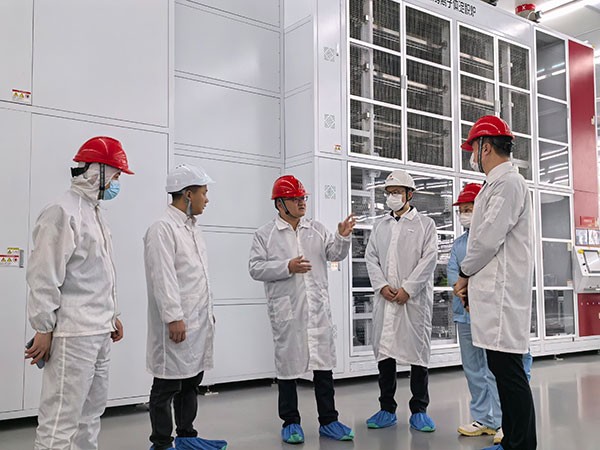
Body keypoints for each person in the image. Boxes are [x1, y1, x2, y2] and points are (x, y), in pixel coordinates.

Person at [25, 136, 133, 450]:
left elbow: (98, 273)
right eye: (115, 174)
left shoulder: (95, 213)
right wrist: (43, 328)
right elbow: (44, 275)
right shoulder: (62, 211)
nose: (116, 182)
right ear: (97, 171)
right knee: (60, 419)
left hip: (99, 330)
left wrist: (113, 314)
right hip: (73, 334)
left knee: (90, 416)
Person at [248, 175, 356, 444]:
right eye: (295, 199)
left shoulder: (316, 229)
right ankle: (291, 422)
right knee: (287, 369)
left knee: (323, 366)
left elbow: (334, 254)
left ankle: (329, 421)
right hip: (288, 312)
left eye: (302, 198)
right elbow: (255, 268)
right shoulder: (265, 234)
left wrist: (342, 237)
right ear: (280, 204)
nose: (301, 203)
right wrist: (287, 267)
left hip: (317, 310)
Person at [453, 115, 537, 450]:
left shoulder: (508, 184)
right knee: (503, 372)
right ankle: (513, 440)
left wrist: (464, 274)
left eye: (473, 148)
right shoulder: (495, 185)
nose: (472, 156)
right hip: (493, 295)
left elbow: (487, 239)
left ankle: (521, 444)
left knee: (510, 373)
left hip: (502, 297)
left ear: (485, 147)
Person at [144, 164, 227, 450]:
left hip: (197, 319)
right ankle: (161, 443)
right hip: (177, 320)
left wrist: (207, 311)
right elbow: (163, 277)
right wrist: (173, 317)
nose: (207, 199)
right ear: (188, 194)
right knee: (167, 384)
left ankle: (186, 436)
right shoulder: (163, 228)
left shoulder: (192, 228)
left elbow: (197, 276)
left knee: (191, 379)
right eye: (204, 192)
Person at [364, 169, 438, 433]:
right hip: (386, 299)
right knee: (386, 353)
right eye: (389, 192)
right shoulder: (380, 226)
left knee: (418, 354)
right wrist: (381, 286)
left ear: (410, 194)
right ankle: (387, 409)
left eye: (397, 192)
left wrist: (408, 289)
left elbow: (429, 259)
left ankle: (419, 410)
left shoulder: (425, 225)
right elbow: (371, 257)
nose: (392, 197)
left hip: (413, 302)